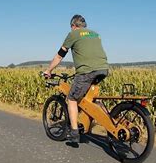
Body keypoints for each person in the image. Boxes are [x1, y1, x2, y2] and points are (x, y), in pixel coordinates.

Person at [44, 14, 109, 144]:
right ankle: (109, 119)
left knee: (72, 99)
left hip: (86, 72)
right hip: (103, 69)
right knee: (91, 99)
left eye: (71, 27)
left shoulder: (73, 34)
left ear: (73, 26)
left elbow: (60, 56)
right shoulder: (95, 34)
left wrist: (49, 70)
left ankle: (74, 133)